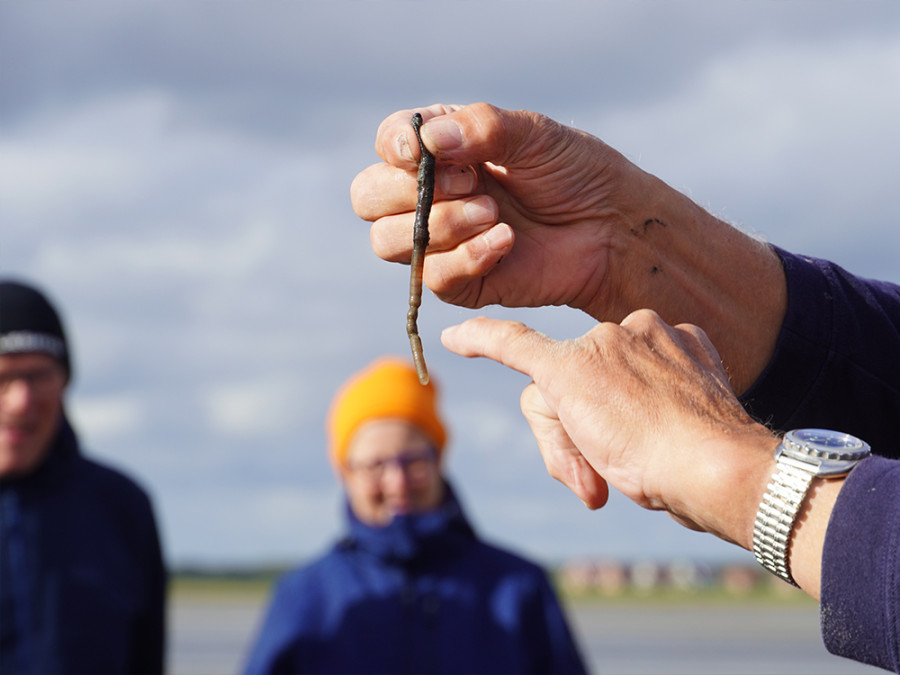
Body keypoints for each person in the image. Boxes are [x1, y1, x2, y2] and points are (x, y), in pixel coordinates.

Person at [350, 103, 900, 672]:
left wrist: (735, 472)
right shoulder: (309, 602)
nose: (395, 480)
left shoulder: (514, 587)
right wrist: (622, 243)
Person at [242, 356, 586, 675]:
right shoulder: (304, 597)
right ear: (344, 473)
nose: (397, 482)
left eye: (413, 461)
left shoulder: (519, 590)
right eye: (375, 465)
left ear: (439, 460)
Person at [0, 279, 166, 674]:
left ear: (65, 381)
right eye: (3, 376)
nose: (21, 401)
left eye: (39, 376)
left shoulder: (122, 507)